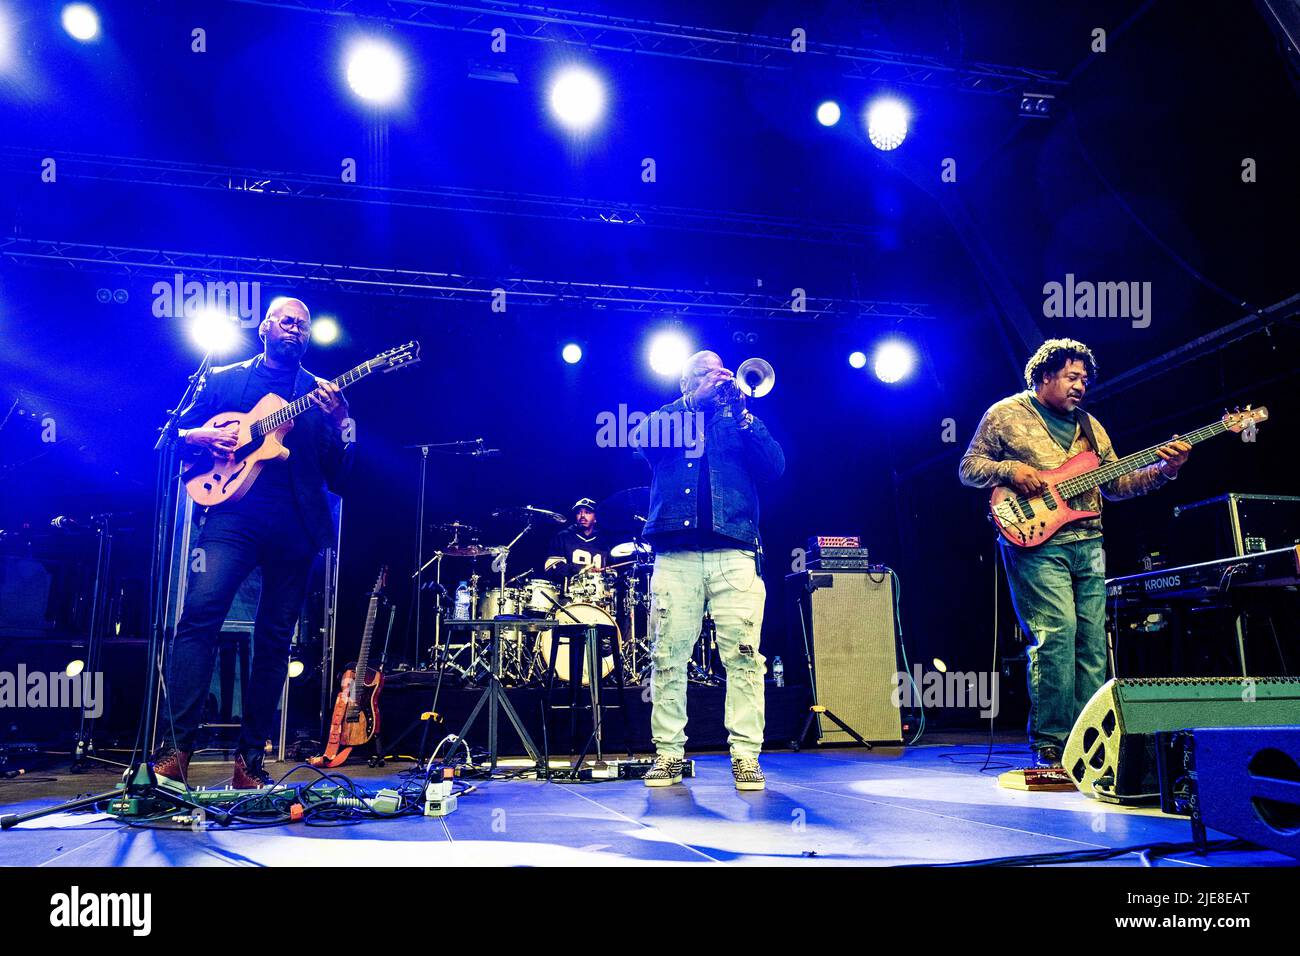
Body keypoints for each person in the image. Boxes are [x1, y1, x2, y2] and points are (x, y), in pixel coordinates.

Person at [959, 338, 1190, 768]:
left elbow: (1118, 485)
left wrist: (1164, 469)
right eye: (1071, 376)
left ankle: (1092, 740)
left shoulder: (1091, 427)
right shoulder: (1005, 414)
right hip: (1036, 542)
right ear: (1045, 375)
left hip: (1089, 544)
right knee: (1057, 634)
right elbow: (969, 468)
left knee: (1092, 645)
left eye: (1085, 378)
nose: (1080, 386)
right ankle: (1051, 740)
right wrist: (1011, 469)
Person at [154, 297, 353, 788]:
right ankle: (178, 750)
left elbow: (340, 477)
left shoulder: (317, 394)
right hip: (231, 514)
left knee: (274, 641)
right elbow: (174, 436)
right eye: (286, 321)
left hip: (296, 527)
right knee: (199, 619)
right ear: (265, 328)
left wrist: (340, 425)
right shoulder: (224, 378)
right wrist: (203, 436)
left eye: (304, 325)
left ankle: (250, 761)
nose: (295, 330)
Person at [634, 350, 785, 790]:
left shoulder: (739, 421)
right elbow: (645, 440)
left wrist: (743, 416)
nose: (714, 379)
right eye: (703, 373)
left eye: (718, 372)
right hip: (676, 554)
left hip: (734, 551)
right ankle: (668, 755)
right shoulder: (669, 416)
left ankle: (745, 756)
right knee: (667, 657)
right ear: (686, 383)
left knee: (743, 658)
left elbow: (775, 467)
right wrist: (692, 406)